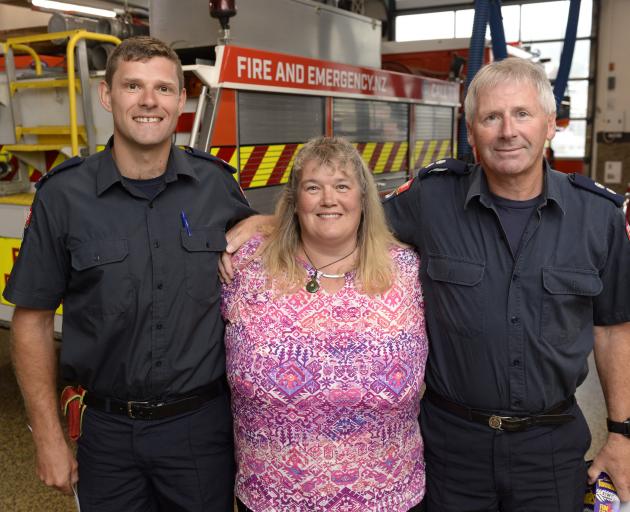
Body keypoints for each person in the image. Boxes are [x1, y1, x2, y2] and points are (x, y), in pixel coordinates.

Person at [221, 58, 630, 511]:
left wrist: (622, 433)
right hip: (453, 448)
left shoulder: (598, 217)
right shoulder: (433, 198)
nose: (507, 131)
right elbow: (347, 215)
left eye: (522, 114)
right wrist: (272, 220)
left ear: (551, 124)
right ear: (471, 132)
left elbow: (613, 330)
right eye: (491, 117)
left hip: (549, 446)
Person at [4, 36, 254, 511]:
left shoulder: (217, 186)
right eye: (133, 86)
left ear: (181, 100)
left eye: (163, 88)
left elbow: (269, 257)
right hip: (106, 432)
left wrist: (264, 220)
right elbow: (31, 319)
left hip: (200, 431)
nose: (148, 101)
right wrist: (48, 439)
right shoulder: (63, 196)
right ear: (107, 95)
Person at [220, 136, 428, 512]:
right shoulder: (245, 266)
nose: (328, 199)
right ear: (294, 201)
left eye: (342, 186)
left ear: (364, 200)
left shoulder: (408, 271)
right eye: (313, 187)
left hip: (388, 499)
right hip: (270, 500)